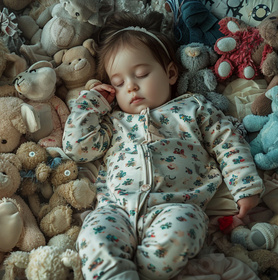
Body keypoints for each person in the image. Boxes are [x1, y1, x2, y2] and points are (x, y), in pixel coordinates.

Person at [62, 11, 264, 280]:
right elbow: (76, 147)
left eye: (142, 74)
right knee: (93, 236)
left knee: (183, 231)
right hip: (117, 210)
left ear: (170, 73)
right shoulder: (114, 122)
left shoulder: (192, 107)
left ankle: (146, 274)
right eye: (119, 83)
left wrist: (245, 186)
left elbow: (227, 141)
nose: (131, 87)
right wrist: (92, 103)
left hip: (176, 207)